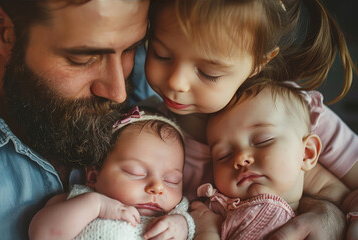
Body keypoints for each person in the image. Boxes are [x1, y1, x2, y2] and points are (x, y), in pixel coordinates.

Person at [0, 0, 150, 239]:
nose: (118, 93)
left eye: (131, 48)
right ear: (3, 30)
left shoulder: (158, 72)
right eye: (83, 58)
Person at [143, 0, 358, 239]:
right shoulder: (143, 129)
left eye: (208, 73)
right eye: (160, 55)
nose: (176, 82)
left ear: (259, 62)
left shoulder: (290, 111)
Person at [197, 81, 350, 239]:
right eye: (223, 155)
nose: (240, 158)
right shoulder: (211, 214)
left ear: (307, 153)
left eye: (262, 141)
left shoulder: (335, 212)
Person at [28, 106, 195, 240]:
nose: (158, 187)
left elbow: (197, 227)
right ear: (93, 176)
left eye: (172, 180)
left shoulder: (176, 213)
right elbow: (41, 234)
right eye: (136, 172)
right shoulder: (81, 201)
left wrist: (182, 226)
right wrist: (96, 206)